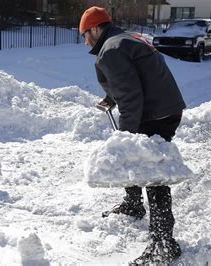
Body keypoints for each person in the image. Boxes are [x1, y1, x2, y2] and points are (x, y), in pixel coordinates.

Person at [79, 6, 187, 264]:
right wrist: (110, 97)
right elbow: (133, 80)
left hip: (155, 115)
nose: (84, 41)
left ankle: (164, 244)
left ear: (95, 29)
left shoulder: (112, 50)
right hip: (163, 108)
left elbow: (130, 95)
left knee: (152, 173)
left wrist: (125, 139)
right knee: (138, 161)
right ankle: (133, 203)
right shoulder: (124, 39)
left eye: (84, 34)